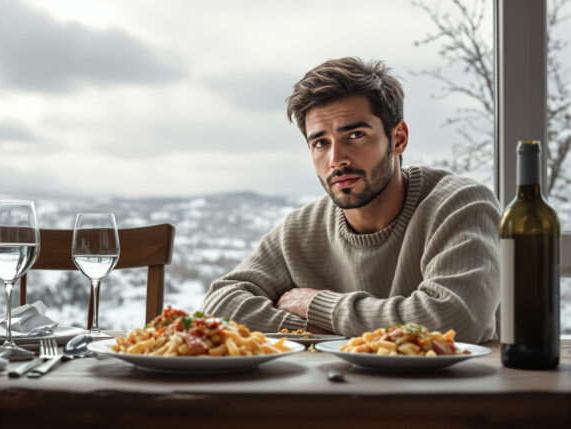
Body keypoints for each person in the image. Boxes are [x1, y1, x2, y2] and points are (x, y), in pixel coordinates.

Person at [200, 57, 500, 344]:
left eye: (355, 135)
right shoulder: (301, 229)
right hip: (333, 391)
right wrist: (313, 329)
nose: (336, 160)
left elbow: (454, 320)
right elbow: (219, 306)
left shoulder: (461, 205)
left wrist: (315, 303)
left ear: (398, 138)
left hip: (445, 394)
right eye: (320, 143)